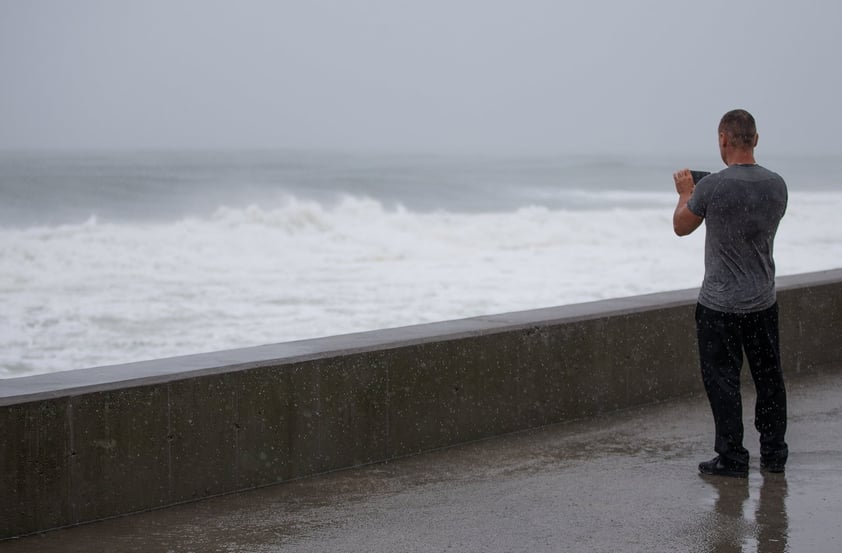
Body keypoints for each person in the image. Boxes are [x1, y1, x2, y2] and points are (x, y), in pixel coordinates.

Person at [672, 108, 789, 478]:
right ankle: (773, 454)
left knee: (723, 381)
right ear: (755, 139)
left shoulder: (712, 187)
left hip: (719, 306)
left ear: (723, 139)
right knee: (769, 378)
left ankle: (733, 457)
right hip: (762, 300)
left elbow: (681, 226)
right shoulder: (777, 185)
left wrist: (685, 192)